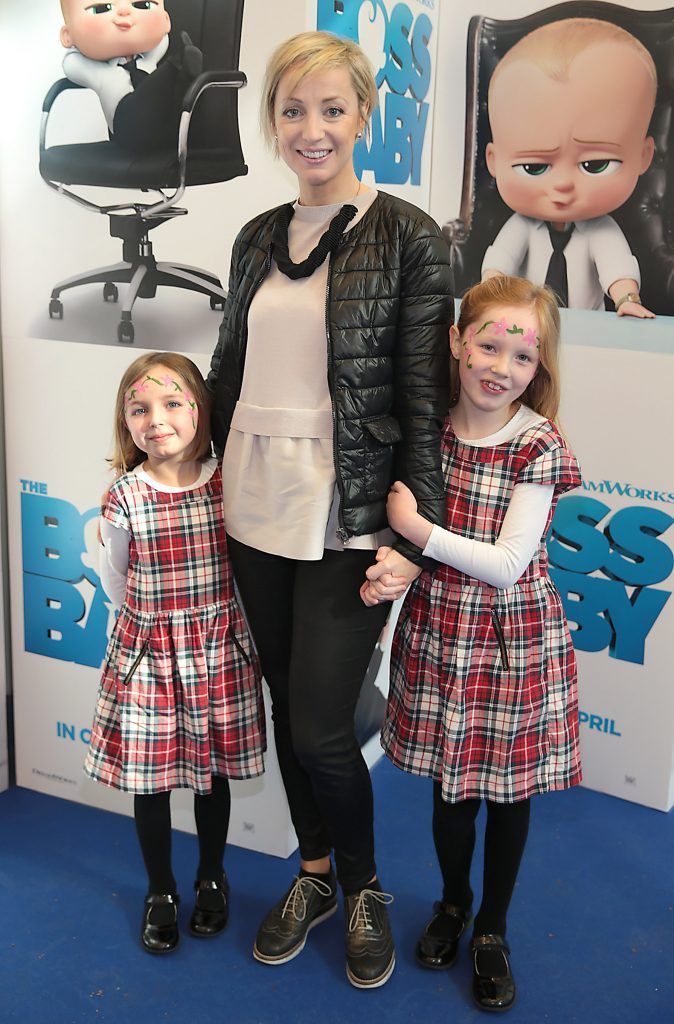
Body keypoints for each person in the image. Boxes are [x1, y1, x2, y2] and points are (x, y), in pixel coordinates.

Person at [206, 30, 452, 989]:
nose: (313, 130)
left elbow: (422, 401)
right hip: (252, 500)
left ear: (364, 117)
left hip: (348, 512)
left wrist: (410, 538)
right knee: (282, 703)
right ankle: (313, 871)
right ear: (272, 120)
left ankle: (361, 887)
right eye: (293, 110)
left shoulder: (410, 235)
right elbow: (232, 372)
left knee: (319, 727)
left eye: (332, 109)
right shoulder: (256, 234)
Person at [369, 276, 581, 1011]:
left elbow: (506, 564)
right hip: (437, 634)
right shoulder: (427, 429)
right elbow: (402, 533)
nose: (501, 367)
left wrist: (420, 533)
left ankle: (491, 926)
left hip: (511, 640)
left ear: (538, 369)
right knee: (449, 786)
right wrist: (398, 556)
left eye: (521, 358)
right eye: (488, 344)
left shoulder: (538, 444)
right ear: (458, 343)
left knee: (507, 792)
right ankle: (453, 903)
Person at [84, 352, 265, 955]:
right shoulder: (126, 496)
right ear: (125, 422)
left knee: (211, 776)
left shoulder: (227, 481)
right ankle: (160, 890)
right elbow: (115, 581)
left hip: (217, 653)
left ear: (200, 410)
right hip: (150, 657)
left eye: (170, 404)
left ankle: (212, 876)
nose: (155, 419)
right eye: (139, 408)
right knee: (152, 779)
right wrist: (153, 627)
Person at [481, 18, 657, 317]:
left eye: (595, 164)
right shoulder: (521, 226)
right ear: (493, 161)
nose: (563, 184)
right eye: (534, 167)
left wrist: (627, 298)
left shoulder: (600, 229)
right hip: (528, 327)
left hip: (589, 331)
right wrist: (491, 290)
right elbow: (501, 261)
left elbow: (616, 267)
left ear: (644, 156)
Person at [59, 0, 203, 156]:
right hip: (130, 134)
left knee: (167, 95)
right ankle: (176, 65)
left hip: (168, 130)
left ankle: (178, 68)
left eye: (142, 5)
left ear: (166, 20)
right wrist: (76, 38)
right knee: (145, 100)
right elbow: (71, 63)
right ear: (67, 35)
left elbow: (162, 39)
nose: (124, 12)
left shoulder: (147, 59)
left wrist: (159, 26)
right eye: (101, 9)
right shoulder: (100, 72)